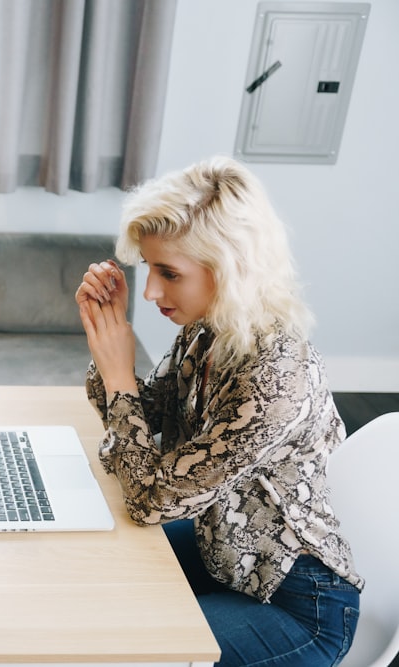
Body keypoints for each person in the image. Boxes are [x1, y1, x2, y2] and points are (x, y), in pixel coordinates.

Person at [74, 155, 362, 667]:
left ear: (229, 268)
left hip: (296, 602)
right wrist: (108, 338)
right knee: (90, 568)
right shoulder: (207, 331)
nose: (151, 292)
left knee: (125, 648)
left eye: (169, 274)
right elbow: (148, 419)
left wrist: (118, 371)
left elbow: (150, 497)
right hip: (224, 550)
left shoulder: (278, 377)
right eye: (149, 269)